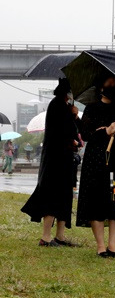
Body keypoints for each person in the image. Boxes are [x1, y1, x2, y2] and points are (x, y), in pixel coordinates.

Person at [76, 75, 115, 258]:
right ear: (100, 86)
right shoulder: (92, 109)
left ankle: (113, 246)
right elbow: (85, 135)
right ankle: (101, 247)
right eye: (108, 81)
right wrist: (106, 131)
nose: (112, 85)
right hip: (96, 167)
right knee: (97, 204)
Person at [22, 79, 81, 247]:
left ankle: (60, 236)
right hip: (56, 161)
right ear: (67, 92)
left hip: (63, 159)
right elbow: (68, 132)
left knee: (64, 196)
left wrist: (73, 115)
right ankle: (46, 237)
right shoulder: (59, 107)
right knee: (53, 196)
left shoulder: (61, 106)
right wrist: (74, 116)